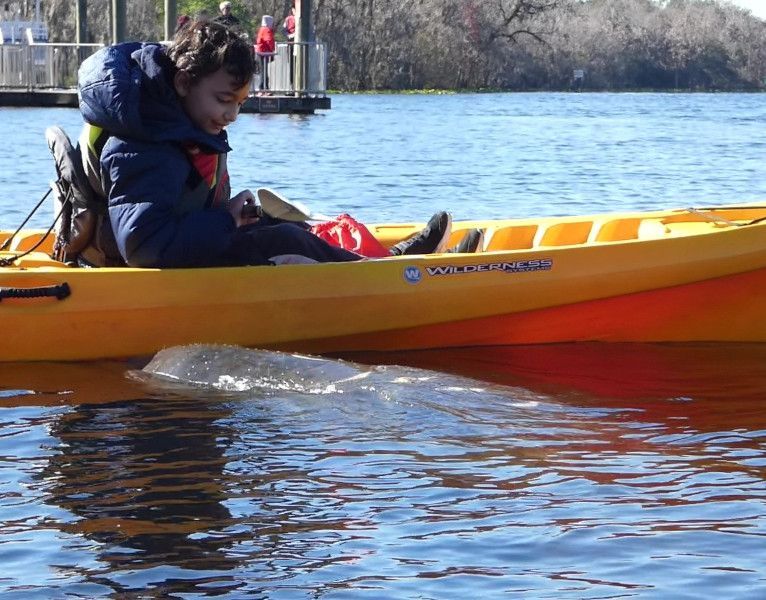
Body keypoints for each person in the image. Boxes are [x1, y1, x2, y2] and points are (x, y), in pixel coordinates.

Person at [74, 19, 453, 268]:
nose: (231, 117)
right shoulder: (145, 144)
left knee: (280, 222)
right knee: (284, 241)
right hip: (157, 268)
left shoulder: (171, 122)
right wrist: (226, 217)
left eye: (239, 104)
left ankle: (384, 260)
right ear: (183, 83)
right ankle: (390, 276)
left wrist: (232, 214)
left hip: (184, 248)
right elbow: (144, 247)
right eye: (223, 101)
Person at [254, 15, 276, 92]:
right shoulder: (266, 30)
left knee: (263, 70)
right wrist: (272, 49)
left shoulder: (261, 29)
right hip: (264, 53)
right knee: (264, 71)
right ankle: (264, 88)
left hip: (260, 52)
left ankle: (263, 87)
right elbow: (269, 40)